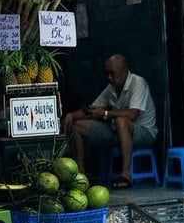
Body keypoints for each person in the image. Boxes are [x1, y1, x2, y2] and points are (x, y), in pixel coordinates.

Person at [62, 53, 157, 189]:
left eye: (112, 73)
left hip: (144, 133)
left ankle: (126, 174)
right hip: (119, 132)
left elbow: (132, 115)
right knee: (78, 126)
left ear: (124, 72)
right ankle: (80, 175)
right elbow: (92, 110)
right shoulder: (111, 88)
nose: (109, 77)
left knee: (121, 121)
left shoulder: (138, 83)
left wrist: (106, 113)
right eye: (107, 73)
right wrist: (71, 115)